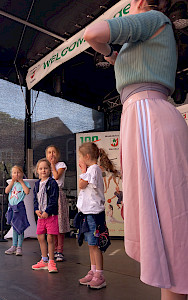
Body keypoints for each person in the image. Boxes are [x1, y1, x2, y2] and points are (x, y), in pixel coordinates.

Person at [84, 0, 188, 298]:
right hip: (144, 115)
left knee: (169, 220)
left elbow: (93, 33)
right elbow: (115, 54)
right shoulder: (152, 31)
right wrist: (114, 55)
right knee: (167, 219)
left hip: (147, 117)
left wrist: (108, 48)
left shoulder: (153, 19)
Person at [77, 142, 108, 289]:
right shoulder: (91, 170)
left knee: (95, 245)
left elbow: (81, 184)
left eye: (81, 157)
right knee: (91, 244)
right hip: (88, 212)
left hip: (94, 214)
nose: (80, 160)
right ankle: (93, 270)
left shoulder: (94, 169)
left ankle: (99, 275)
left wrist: (83, 170)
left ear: (87, 156)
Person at [32, 158, 59, 273]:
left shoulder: (52, 183)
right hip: (40, 217)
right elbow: (35, 199)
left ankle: (51, 261)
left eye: (46, 168)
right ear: (37, 170)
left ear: (50, 170)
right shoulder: (37, 184)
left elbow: (53, 199)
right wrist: (36, 210)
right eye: (41, 168)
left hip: (50, 216)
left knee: (50, 238)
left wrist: (47, 211)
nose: (43, 170)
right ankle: (44, 260)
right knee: (40, 237)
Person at [45, 145, 70, 262]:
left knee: (60, 224)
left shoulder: (61, 165)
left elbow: (56, 176)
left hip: (58, 195)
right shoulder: (46, 167)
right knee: (51, 224)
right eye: (49, 152)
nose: (51, 155)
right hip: (49, 196)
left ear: (58, 154)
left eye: (53, 152)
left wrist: (52, 165)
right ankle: (52, 249)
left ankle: (60, 250)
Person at [4, 165, 30, 256]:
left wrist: (21, 181)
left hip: (19, 208)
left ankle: (19, 246)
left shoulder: (24, 184)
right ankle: (13, 246)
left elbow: (27, 191)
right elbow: (6, 191)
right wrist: (12, 182)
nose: (16, 174)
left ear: (22, 174)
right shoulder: (12, 184)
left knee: (20, 227)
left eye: (18, 172)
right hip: (11, 207)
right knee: (14, 227)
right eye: (14, 173)